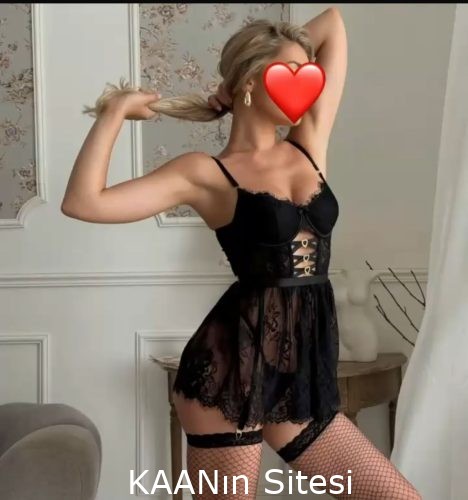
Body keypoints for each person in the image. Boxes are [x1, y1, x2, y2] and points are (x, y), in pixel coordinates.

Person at [62, 8, 421, 499]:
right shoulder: (205, 173)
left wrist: (265, 58)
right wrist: (114, 113)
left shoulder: (308, 143)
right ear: (253, 81)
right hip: (229, 373)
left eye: (306, 73)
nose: (305, 85)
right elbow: (84, 202)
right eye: (289, 73)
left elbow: (333, 24)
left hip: (299, 375)